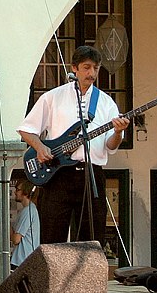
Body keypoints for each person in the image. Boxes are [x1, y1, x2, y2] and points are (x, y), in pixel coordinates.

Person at [17, 46, 129, 246]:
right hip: (58, 174)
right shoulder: (53, 97)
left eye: (96, 68)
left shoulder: (106, 102)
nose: (92, 73)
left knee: (92, 238)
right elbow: (26, 129)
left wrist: (119, 132)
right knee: (52, 235)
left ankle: (89, 277)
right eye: (86, 67)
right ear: (74, 68)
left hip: (92, 173)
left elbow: (111, 146)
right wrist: (41, 148)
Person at [10, 179, 40, 269]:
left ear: (26, 193)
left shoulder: (28, 211)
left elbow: (16, 239)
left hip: (22, 260)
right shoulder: (28, 210)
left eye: (18, 190)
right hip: (24, 260)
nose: (15, 192)